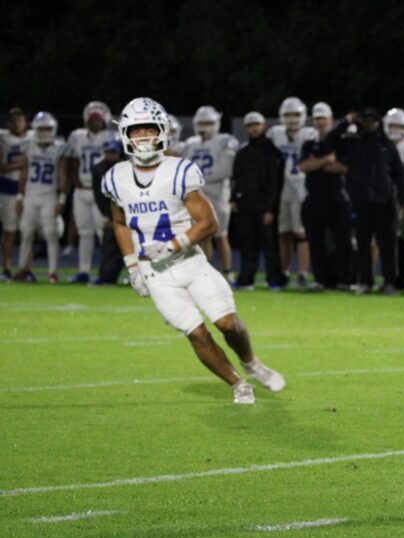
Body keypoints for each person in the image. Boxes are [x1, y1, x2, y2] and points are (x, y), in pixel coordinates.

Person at [103, 97, 284, 404]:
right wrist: (132, 265)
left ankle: (252, 362)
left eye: (149, 129)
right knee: (196, 333)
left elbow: (209, 222)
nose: (144, 137)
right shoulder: (116, 177)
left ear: (163, 132)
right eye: (136, 130)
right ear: (126, 135)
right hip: (154, 273)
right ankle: (238, 384)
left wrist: (173, 245)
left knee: (227, 322)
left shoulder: (180, 170)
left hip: (189, 261)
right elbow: (119, 222)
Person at [332, 108, 404, 295]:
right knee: (363, 245)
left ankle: (389, 282)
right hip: (360, 202)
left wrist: (403, 200)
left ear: (378, 123)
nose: (369, 124)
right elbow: (331, 142)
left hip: (384, 202)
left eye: (373, 121)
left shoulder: (387, 145)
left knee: (387, 246)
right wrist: (346, 121)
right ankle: (365, 282)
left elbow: (399, 175)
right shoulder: (352, 143)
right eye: (365, 121)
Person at [299, 101, 354, 289]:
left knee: (342, 240)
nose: (320, 122)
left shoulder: (342, 142)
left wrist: (317, 163)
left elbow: (344, 167)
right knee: (316, 241)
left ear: (330, 119)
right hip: (314, 198)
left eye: (323, 118)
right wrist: (327, 160)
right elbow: (304, 167)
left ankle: (344, 279)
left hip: (337, 197)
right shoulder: (309, 143)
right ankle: (321, 280)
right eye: (317, 119)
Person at [231, 112, 287, 290]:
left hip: (265, 206)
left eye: (257, 124)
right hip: (246, 205)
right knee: (248, 244)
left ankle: (274, 280)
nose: (254, 128)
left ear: (263, 126)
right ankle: (246, 279)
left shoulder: (272, 152)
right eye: (250, 125)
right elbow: (237, 179)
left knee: (270, 246)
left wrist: (271, 209)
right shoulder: (243, 152)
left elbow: (275, 183)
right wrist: (234, 199)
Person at [183, 105, 238, 281]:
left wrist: (197, 178)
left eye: (208, 122)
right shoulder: (191, 143)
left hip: (218, 194)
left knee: (221, 235)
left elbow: (225, 169)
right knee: (202, 236)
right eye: (201, 122)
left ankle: (227, 271)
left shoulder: (226, 140)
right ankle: (205, 271)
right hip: (197, 195)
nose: (204, 126)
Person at [267, 97, 317, 287]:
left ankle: (303, 272)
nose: (292, 118)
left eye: (295, 114)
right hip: (282, 189)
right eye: (288, 114)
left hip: (302, 189)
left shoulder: (310, 134)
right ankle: (284, 271)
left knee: (301, 233)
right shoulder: (275, 133)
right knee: (283, 233)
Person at [13, 112, 68, 284]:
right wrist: (19, 196)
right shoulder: (29, 146)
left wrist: (62, 200)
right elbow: (24, 172)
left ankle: (52, 272)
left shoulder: (59, 147)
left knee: (51, 235)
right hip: (30, 195)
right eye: (41, 128)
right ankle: (23, 269)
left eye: (47, 128)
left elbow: (63, 176)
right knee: (26, 233)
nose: (44, 132)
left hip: (49, 196)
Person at [65, 101, 116, 283]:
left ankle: (107, 272)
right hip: (82, 189)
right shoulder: (77, 136)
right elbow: (71, 160)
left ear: (105, 120)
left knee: (104, 233)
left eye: (99, 119)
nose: (96, 122)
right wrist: (73, 179)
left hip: (101, 190)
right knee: (84, 233)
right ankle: (83, 271)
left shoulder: (112, 135)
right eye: (93, 119)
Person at [384, 107, 404, 290]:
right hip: (384, 200)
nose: (395, 129)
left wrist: (402, 196)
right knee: (388, 241)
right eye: (392, 125)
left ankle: (400, 278)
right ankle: (389, 277)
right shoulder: (381, 146)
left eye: (399, 125)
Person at [91, 139, 127, 285]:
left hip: (134, 212)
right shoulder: (99, 170)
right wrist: (113, 219)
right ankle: (107, 276)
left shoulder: (128, 169)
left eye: (113, 152)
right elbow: (101, 198)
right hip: (113, 213)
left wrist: (123, 219)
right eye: (108, 152)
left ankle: (144, 278)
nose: (110, 155)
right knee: (110, 238)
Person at [0, 107, 29, 281]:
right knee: (9, 231)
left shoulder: (33, 138)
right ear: (7, 123)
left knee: (28, 232)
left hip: (30, 191)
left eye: (19, 120)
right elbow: (1, 166)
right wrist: (22, 164)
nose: (16, 124)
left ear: (25, 123)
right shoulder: (3, 138)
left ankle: (25, 269)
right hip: (7, 189)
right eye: (13, 121)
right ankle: (7, 268)